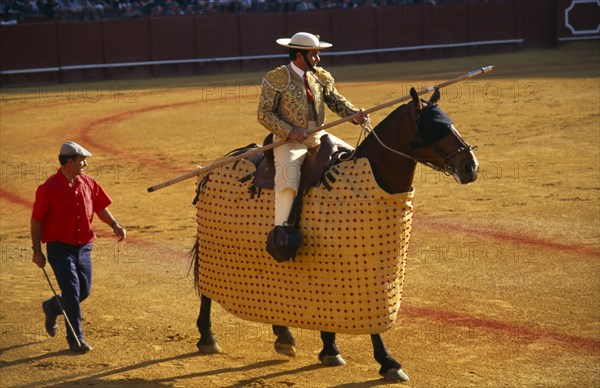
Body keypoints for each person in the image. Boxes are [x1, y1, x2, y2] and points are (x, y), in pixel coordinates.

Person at [257, 32, 367, 259]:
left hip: (319, 136)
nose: (318, 59)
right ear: (299, 55)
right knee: (288, 175)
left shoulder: (320, 77)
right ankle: (282, 233)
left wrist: (353, 114)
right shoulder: (276, 77)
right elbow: (264, 114)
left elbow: (336, 101)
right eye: (314, 54)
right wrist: (290, 131)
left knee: (353, 158)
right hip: (289, 141)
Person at [31, 141, 126, 353]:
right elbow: (36, 220)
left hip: (83, 247)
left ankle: (52, 307)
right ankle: (76, 339)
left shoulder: (88, 182)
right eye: (83, 160)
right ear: (70, 162)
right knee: (72, 292)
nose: (85, 164)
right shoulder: (48, 189)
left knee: (84, 291)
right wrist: (36, 251)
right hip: (59, 248)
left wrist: (114, 224)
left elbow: (100, 207)